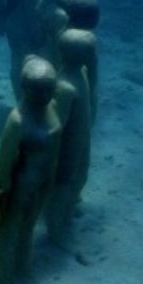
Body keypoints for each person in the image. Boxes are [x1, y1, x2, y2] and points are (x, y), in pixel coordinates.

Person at [0, 57, 61, 284]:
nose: (45, 95)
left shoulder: (50, 108)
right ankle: (2, 277)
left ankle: (22, 267)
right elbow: (3, 163)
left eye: (49, 89)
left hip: (41, 183)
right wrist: (1, 190)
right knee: (9, 231)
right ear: (24, 87)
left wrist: (50, 182)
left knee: (29, 226)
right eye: (39, 90)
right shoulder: (17, 120)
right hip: (18, 187)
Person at [43, 30, 95, 247]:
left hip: (81, 141)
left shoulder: (81, 72)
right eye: (92, 50)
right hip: (67, 149)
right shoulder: (65, 87)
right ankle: (54, 230)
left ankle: (66, 213)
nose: (95, 54)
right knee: (63, 186)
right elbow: (57, 124)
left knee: (80, 177)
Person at [2, 0, 44, 99]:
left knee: (16, 58)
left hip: (11, 23)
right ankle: (22, 99)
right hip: (25, 28)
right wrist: (37, 34)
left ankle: (19, 96)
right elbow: (32, 13)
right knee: (23, 62)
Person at [34, 0, 71, 66]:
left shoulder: (42, 2)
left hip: (43, 49)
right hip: (55, 55)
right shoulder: (60, 14)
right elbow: (60, 41)